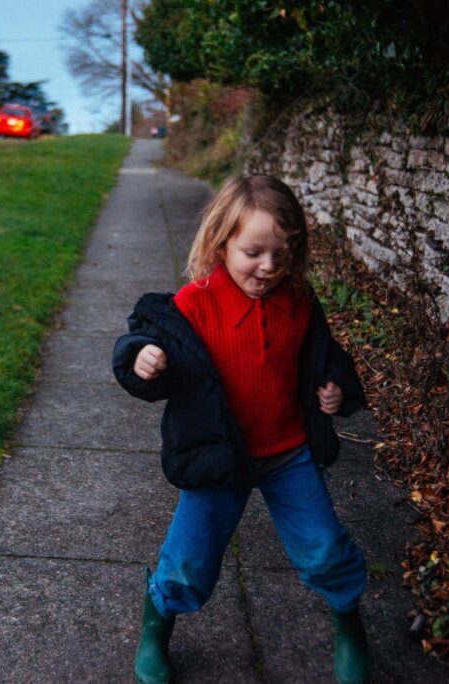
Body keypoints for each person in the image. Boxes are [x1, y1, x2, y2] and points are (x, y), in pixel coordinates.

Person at [112, 174, 371, 684]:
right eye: (253, 252)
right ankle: (156, 626)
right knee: (188, 563)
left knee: (325, 549)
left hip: (288, 453)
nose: (268, 266)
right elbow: (141, 340)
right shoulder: (194, 305)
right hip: (220, 457)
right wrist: (143, 357)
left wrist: (335, 388)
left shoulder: (298, 301)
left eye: (281, 253)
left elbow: (324, 357)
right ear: (221, 243)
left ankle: (349, 624)